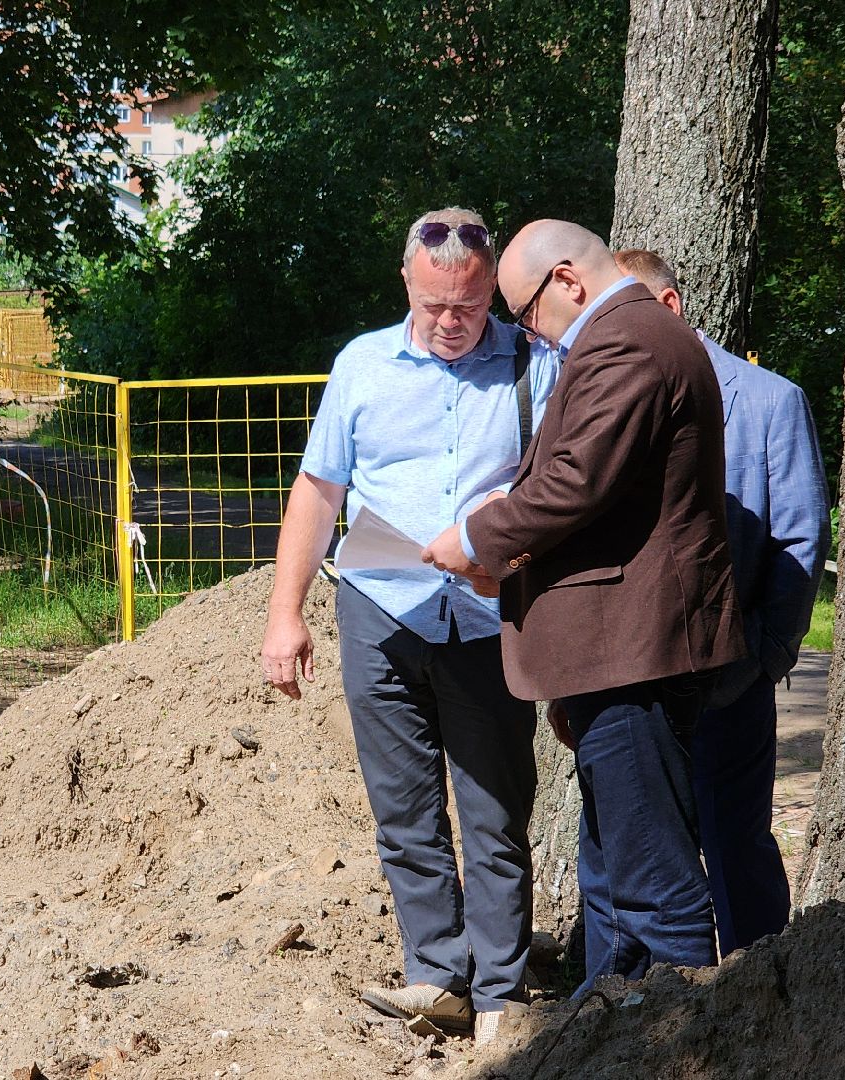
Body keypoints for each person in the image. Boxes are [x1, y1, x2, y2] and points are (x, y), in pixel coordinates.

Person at [260, 207, 561, 1046]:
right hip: (379, 611)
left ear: (491, 289)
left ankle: (501, 997)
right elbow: (318, 493)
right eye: (434, 307)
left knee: (496, 809)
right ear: (407, 281)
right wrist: (286, 616)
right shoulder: (362, 365)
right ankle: (437, 977)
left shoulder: (534, 365)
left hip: (487, 614)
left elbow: (563, 482)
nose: (451, 323)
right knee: (404, 811)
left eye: (468, 306)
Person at [421, 220, 744, 990]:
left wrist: (477, 536)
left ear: (566, 280)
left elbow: (575, 483)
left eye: (527, 313)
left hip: (632, 657)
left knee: (656, 890)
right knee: (615, 881)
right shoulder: (635, 336)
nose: (531, 333)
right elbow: (596, 490)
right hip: (618, 653)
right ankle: (616, 1036)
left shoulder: (626, 339)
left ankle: (678, 1044)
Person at [612, 248, 830, 954]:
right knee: (629, 857)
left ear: (669, 309)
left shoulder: (768, 401)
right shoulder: (599, 399)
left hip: (730, 681)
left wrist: (763, 657)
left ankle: (756, 995)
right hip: (629, 688)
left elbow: (799, 540)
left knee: (738, 851)